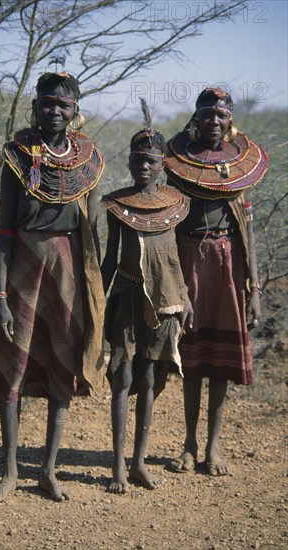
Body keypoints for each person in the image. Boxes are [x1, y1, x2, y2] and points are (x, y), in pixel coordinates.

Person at [0, 71, 105, 502]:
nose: (54, 111)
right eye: (47, 103)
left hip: (68, 270)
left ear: (74, 112)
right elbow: (4, 231)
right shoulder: (17, 155)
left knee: (61, 366)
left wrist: (96, 292)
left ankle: (47, 470)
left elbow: (93, 232)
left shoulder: (88, 159)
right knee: (14, 365)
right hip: (24, 264)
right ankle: (9, 472)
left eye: (63, 105)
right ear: (36, 107)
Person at [164, 87, 269, 476]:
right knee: (192, 359)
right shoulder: (178, 165)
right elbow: (167, 225)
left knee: (220, 363)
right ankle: (189, 445)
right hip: (188, 260)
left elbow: (248, 233)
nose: (214, 121)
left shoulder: (238, 168)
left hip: (228, 265)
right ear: (196, 119)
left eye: (221, 116)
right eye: (207, 114)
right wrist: (174, 285)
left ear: (230, 122)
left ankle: (214, 446)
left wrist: (254, 289)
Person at [101, 100, 192, 494]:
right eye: (138, 160)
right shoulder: (117, 204)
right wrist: (96, 301)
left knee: (151, 377)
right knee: (122, 377)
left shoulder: (177, 204)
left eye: (151, 161)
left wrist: (185, 297)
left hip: (167, 300)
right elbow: (109, 259)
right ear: (129, 164)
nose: (144, 167)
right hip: (125, 297)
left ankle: (139, 461)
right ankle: (118, 465)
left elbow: (177, 258)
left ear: (162, 165)